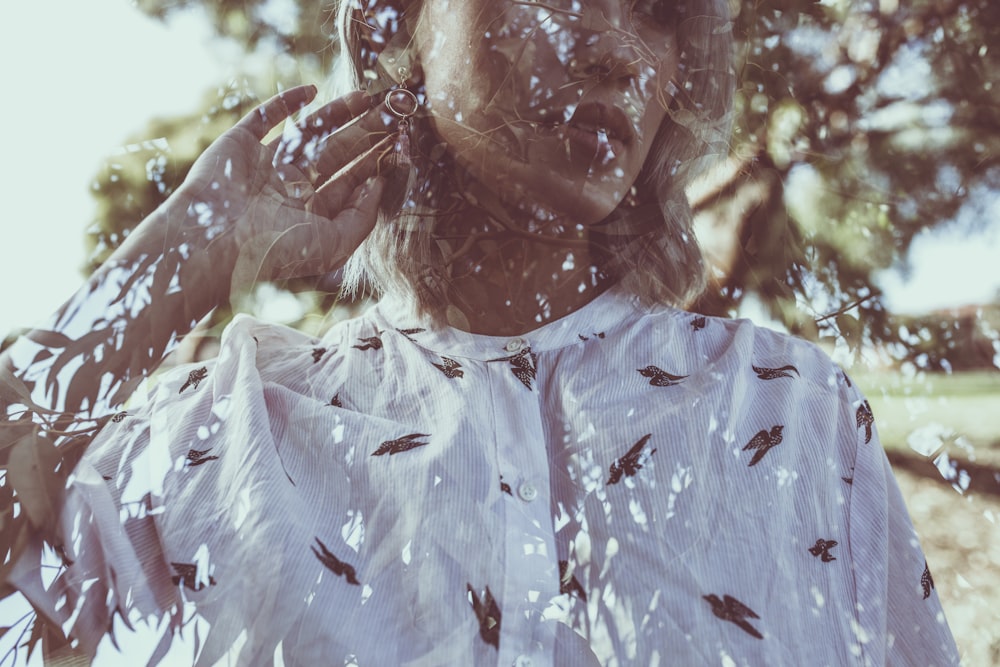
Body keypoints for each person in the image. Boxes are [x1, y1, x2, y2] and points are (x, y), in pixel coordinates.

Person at [1, 0, 960, 664]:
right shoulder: (228, 429)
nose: (622, 52)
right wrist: (178, 257)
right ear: (398, 22)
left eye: (661, 13)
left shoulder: (792, 414)